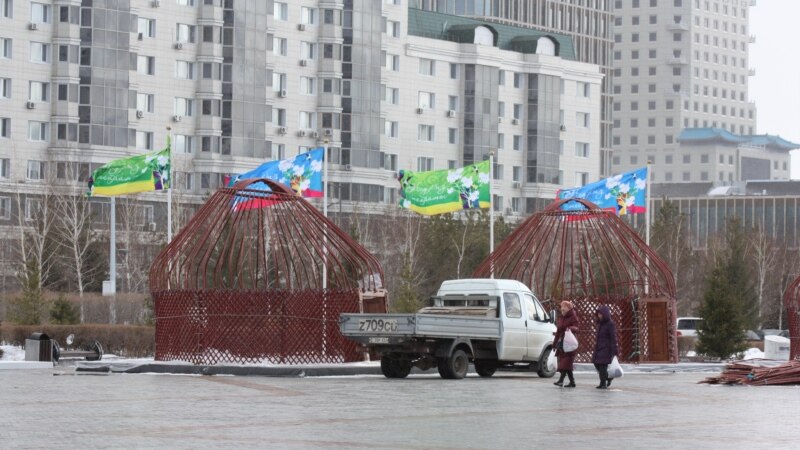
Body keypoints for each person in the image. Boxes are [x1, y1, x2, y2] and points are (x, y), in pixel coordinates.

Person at [553, 300, 580, 388]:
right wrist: (554, 344)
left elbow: (577, 328)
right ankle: (572, 382)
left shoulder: (573, 316)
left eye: (563, 307)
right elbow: (558, 332)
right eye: (561, 307)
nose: (562, 309)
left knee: (565, 363)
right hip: (562, 343)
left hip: (570, 343)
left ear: (568, 308)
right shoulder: (562, 318)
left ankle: (561, 381)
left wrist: (570, 328)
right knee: (566, 364)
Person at [592, 305, 619, 389]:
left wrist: (614, 350)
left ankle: (603, 383)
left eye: (600, 314)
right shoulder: (600, 324)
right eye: (598, 314)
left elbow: (613, 337)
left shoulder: (610, 324)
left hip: (606, 348)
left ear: (605, 314)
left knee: (602, 366)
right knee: (596, 364)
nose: (599, 316)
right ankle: (607, 378)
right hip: (599, 347)